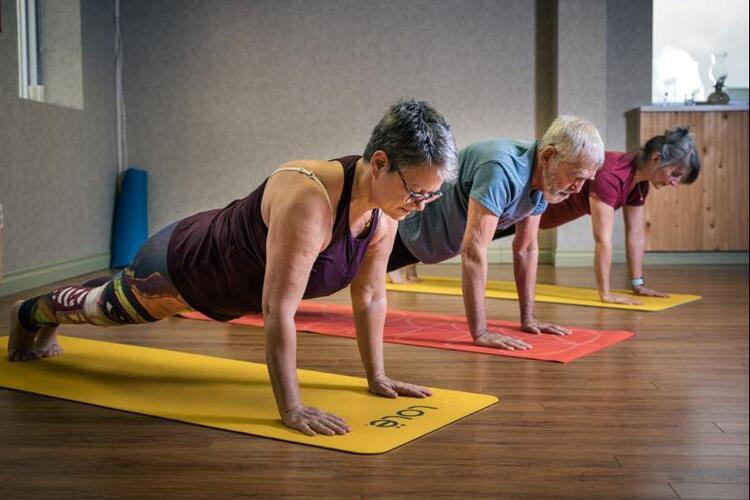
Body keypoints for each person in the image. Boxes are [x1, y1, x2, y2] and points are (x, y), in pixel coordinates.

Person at [7, 99, 459, 437]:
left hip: (217, 277)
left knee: (108, 295)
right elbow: (278, 309)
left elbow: (371, 295)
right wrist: (291, 407)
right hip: (183, 266)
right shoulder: (311, 200)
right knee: (104, 308)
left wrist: (376, 377)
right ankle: (30, 313)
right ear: (379, 162)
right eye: (416, 193)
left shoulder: (384, 212)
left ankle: (48, 313)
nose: (420, 206)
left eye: (430, 196)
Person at [386, 116, 604, 351]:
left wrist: (528, 318)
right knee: (344, 273)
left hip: (432, 243)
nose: (578, 188)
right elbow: (473, 252)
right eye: (577, 176)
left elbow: (526, 248)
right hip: (404, 233)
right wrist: (480, 332)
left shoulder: (544, 180)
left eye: (586, 180)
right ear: (548, 155)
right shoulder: (500, 168)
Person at [489, 126, 700, 304]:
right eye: (674, 174)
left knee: (465, 240)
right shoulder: (612, 175)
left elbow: (635, 236)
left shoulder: (639, 185)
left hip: (536, 215)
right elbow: (602, 239)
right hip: (519, 206)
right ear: (656, 158)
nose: (674, 182)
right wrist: (605, 293)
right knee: (463, 239)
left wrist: (638, 285)